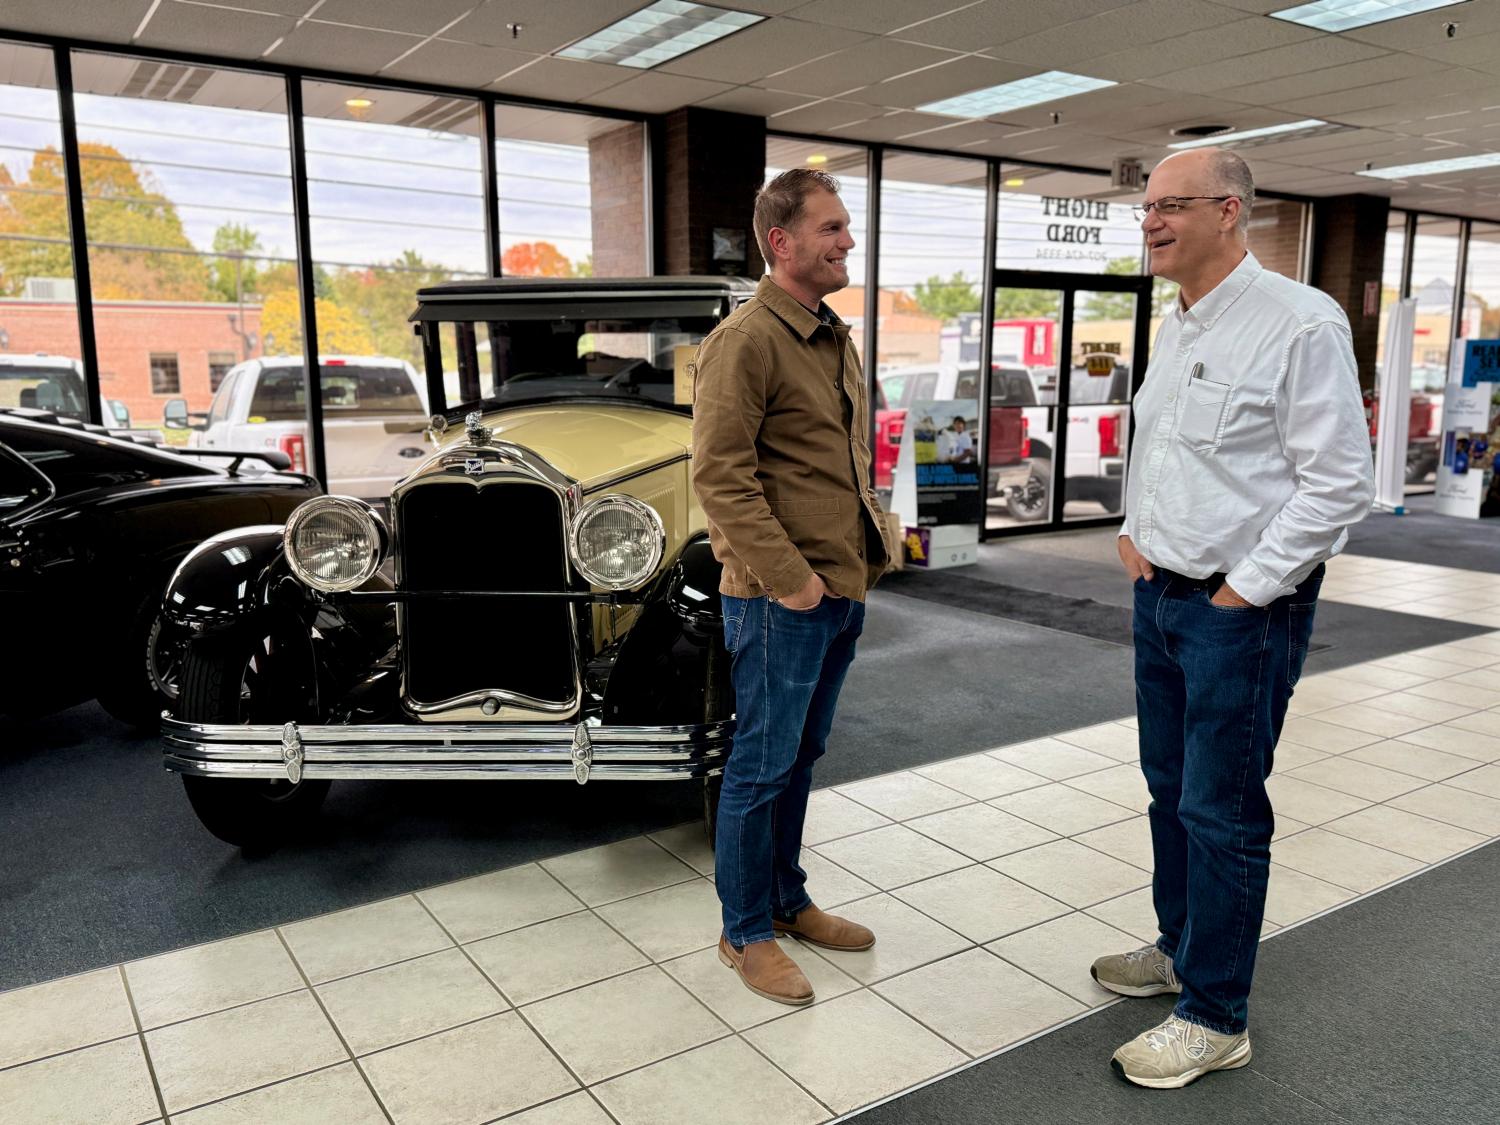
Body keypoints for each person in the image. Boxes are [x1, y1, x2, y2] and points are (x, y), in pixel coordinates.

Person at [1096, 148, 1374, 1088]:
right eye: (1145, 208)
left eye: (1168, 205)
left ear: (1229, 211)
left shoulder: (1300, 321)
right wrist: (1136, 533)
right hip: (1161, 596)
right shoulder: (1177, 325)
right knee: (1169, 787)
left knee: (1221, 808)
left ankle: (1215, 1012)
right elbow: (1166, 444)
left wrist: (1243, 587)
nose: (1150, 222)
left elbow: (1339, 482)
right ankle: (1180, 947)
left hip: (1237, 612)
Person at [691, 168, 892, 1005]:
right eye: (832, 228)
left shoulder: (827, 332)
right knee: (761, 764)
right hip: (783, 597)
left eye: (847, 227)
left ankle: (785, 897)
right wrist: (795, 583)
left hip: (839, 584)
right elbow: (720, 477)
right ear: (783, 241)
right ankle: (745, 932)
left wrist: (851, 565)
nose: (849, 241)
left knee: (800, 757)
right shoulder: (747, 340)